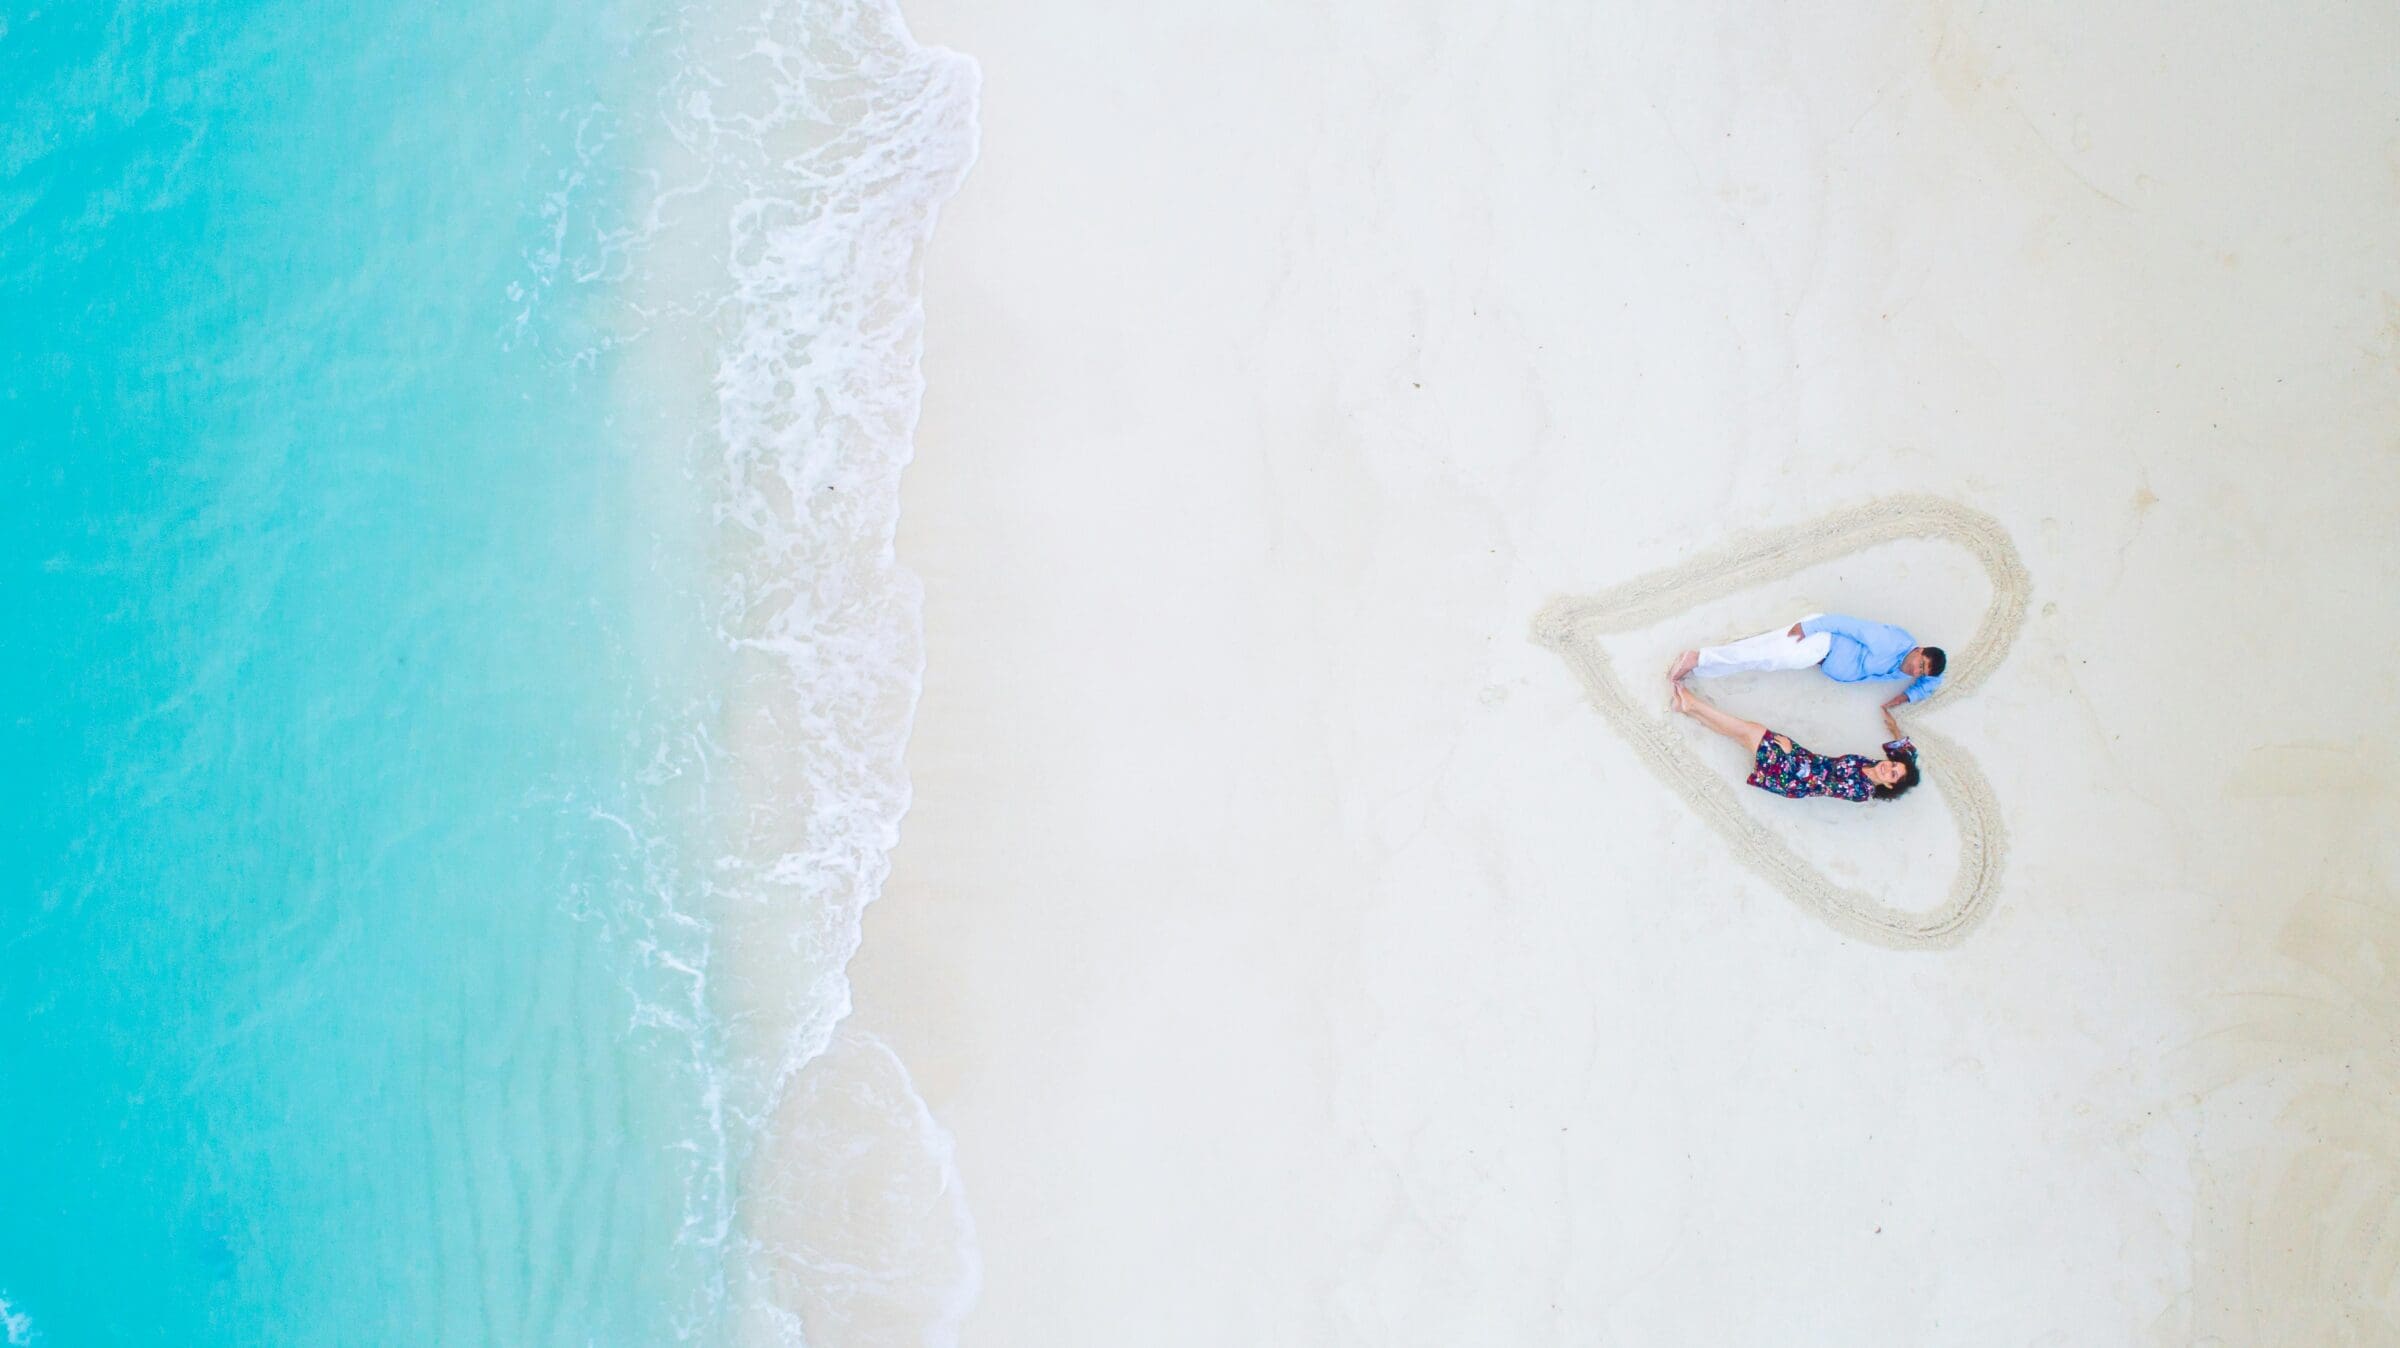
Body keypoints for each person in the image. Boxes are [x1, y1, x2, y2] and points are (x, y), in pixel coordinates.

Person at [1670, 683, 1919, 802]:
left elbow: (1819, 782)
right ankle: (1688, 709)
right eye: (1893, 765)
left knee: (1751, 731)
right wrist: (1895, 729)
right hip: (1804, 757)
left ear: (1888, 785)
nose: (1889, 767)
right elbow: (1907, 751)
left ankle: (1691, 704)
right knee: (1744, 735)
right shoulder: (1873, 764)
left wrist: (1789, 755)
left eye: (1893, 774)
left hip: (1794, 777)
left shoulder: (1861, 791)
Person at [1668, 612, 1946, 711]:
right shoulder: (1891, 643)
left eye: (1920, 671)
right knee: (1764, 656)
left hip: (1819, 656)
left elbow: (1933, 680)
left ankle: (1702, 664)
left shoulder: (1910, 671)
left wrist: (1905, 698)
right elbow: (1852, 625)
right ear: (1918, 649)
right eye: (1919, 663)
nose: (1915, 670)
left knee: (1763, 656)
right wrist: (1810, 627)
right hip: (1822, 640)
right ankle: (1696, 658)